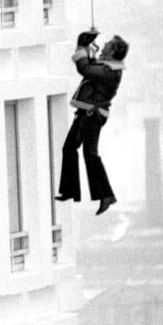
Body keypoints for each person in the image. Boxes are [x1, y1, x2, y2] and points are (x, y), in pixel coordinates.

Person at [56, 30, 129, 215]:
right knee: (70, 149)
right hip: (87, 112)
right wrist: (86, 50)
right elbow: (90, 66)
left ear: (113, 52)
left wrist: (81, 47)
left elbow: (85, 69)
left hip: (93, 114)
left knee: (90, 153)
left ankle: (105, 195)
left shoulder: (110, 71)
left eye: (108, 44)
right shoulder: (108, 67)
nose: (104, 45)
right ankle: (70, 190)